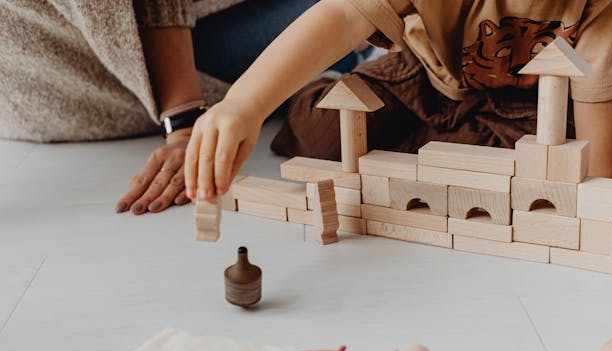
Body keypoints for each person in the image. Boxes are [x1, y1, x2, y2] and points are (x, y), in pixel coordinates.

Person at [183, 0, 612, 202]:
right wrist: (245, 103)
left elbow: (597, 168)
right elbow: (345, 12)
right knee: (319, 132)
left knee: (536, 174)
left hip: (524, 107)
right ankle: (341, 80)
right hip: (423, 71)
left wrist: (587, 190)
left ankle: (441, 141)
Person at [0, 0, 365, 215]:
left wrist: (184, 118)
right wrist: (184, 120)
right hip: (59, 92)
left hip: (171, 49)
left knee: (364, 19)